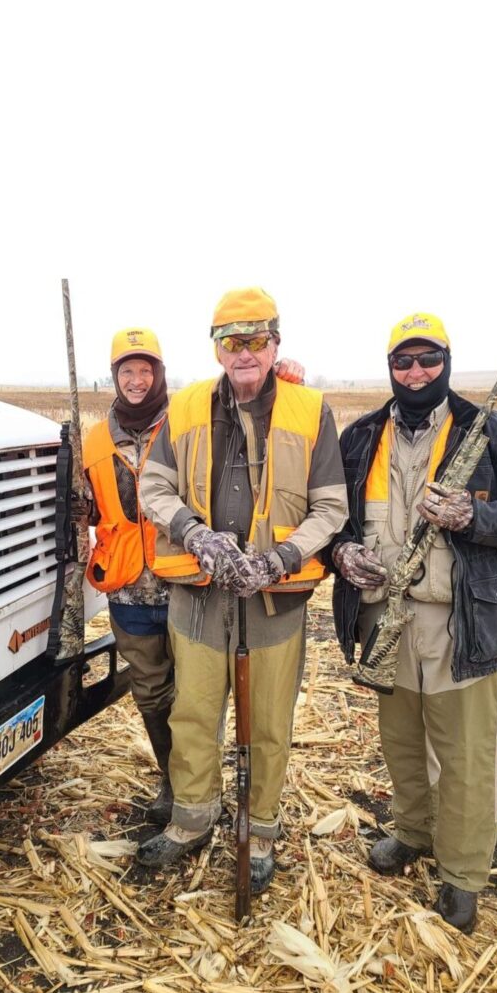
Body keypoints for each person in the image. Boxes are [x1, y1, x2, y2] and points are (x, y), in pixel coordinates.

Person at [330, 313, 497, 933]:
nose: (416, 372)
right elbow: (335, 522)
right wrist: (343, 555)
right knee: (401, 745)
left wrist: (472, 516)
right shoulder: (362, 437)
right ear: (390, 369)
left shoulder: (487, 432)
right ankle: (412, 835)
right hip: (386, 620)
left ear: (446, 362)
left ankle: (461, 874)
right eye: (403, 362)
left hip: (462, 624)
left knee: (466, 756)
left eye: (428, 359)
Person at [135, 287, 348, 892]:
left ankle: (261, 829)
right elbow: (154, 488)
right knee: (194, 712)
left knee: (269, 723)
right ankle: (191, 821)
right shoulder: (186, 407)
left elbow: (331, 507)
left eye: (256, 339)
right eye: (232, 341)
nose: (245, 352)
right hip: (198, 597)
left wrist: (282, 558)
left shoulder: (312, 409)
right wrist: (193, 533)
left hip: (273, 603)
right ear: (217, 348)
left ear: (276, 342)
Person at [83, 327, 306, 825]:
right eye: (127, 371)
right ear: (114, 376)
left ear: (159, 374)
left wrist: (284, 374)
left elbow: (248, 392)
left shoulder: (189, 416)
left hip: (188, 586)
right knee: (152, 693)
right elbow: (91, 507)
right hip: (128, 590)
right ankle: (174, 781)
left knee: (197, 699)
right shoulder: (95, 439)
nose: (137, 381)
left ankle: (209, 792)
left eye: (146, 370)